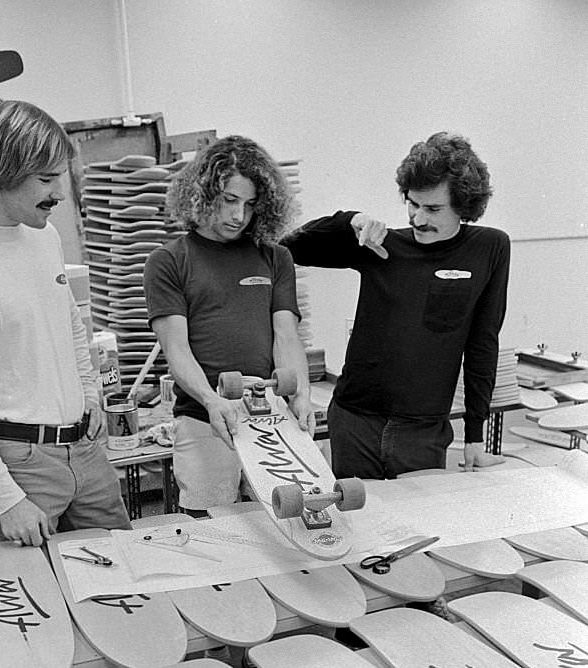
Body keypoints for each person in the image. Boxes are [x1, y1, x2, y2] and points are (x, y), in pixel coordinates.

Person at [0, 98, 131, 546]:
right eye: (47, 179)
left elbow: (69, 322)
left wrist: (89, 394)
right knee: (38, 603)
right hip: (21, 464)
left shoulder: (44, 237)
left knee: (124, 578)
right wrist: (8, 498)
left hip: (86, 448)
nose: (62, 193)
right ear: (3, 169)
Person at [281, 132, 510, 480]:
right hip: (354, 422)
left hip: (422, 431)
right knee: (357, 526)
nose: (418, 219)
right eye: (412, 204)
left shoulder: (490, 248)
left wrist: (475, 433)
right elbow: (289, 248)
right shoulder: (381, 246)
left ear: (464, 207)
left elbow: (483, 343)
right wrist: (350, 220)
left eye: (433, 208)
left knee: (422, 526)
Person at [143, 135, 315, 514]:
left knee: (285, 521)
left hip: (270, 417)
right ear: (202, 195)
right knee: (212, 530)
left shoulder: (275, 258)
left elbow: (286, 336)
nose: (239, 216)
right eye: (229, 201)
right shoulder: (168, 262)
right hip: (203, 419)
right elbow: (177, 349)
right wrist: (211, 399)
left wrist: (300, 393)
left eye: (250, 204)